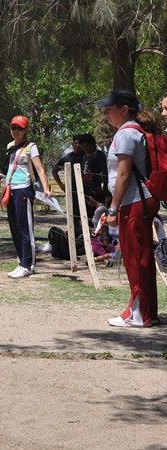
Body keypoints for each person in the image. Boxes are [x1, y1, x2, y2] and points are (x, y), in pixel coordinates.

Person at [99, 89, 160, 327]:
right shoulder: (137, 131)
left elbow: (123, 174)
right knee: (142, 256)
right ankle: (148, 311)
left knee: (135, 258)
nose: (105, 112)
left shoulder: (125, 134)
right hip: (141, 201)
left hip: (134, 201)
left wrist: (113, 209)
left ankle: (138, 315)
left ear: (124, 109)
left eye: (109, 108)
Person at [0, 115, 52, 279]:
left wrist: (46, 189)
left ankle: (28, 265)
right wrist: (1, 176)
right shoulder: (10, 146)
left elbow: (40, 169)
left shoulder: (31, 147)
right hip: (10, 189)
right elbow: (7, 167)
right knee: (14, 227)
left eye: (19, 128)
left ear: (25, 130)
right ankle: (22, 261)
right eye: (13, 127)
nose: (15, 131)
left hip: (24, 189)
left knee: (24, 227)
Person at [52, 135, 85, 233]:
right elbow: (54, 171)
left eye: (80, 143)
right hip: (72, 191)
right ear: (72, 144)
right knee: (74, 215)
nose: (78, 145)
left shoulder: (87, 156)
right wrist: (61, 185)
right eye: (76, 143)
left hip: (86, 191)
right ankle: (75, 235)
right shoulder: (68, 157)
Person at [78, 133, 108, 209]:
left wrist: (105, 188)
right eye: (83, 146)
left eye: (87, 145)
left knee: (99, 209)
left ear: (92, 144)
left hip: (97, 188)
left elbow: (104, 172)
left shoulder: (99, 155)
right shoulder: (84, 156)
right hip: (86, 189)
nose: (85, 148)